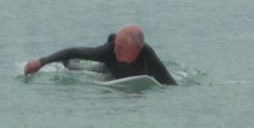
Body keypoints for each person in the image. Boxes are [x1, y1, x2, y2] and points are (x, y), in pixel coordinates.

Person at [23, 25, 178, 84]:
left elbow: (171, 85)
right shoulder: (110, 51)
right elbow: (74, 50)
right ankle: (71, 63)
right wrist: (41, 62)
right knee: (76, 67)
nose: (115, 50)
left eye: (121, 47)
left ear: (136, 49)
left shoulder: (148, 58)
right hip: (107, 71)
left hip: (129, 78)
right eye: (115, 45)